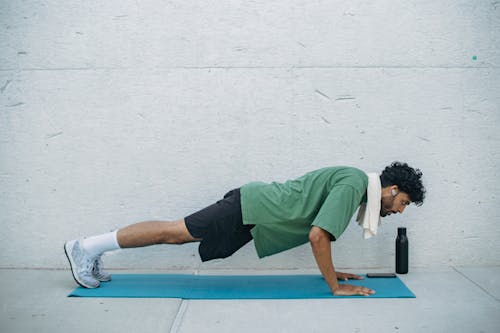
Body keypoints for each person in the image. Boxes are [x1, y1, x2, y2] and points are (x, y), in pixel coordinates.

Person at [64, 162, 425, 296]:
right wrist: (335, 286)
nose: (400, 209)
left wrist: (334, 271)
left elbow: (319, 232)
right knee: (173, 232)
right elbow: (318, 235)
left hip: (254, 212)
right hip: (250, 208)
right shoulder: (354, 184)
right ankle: (86, 246)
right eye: (404, 202)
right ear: (391, 190)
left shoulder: (355, 184)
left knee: (175, 234)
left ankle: (92, 250)